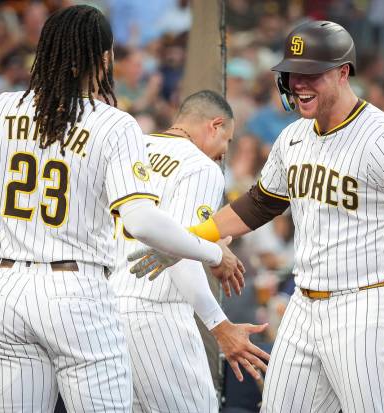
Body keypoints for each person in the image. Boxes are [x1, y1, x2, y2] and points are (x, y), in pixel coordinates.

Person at [131, 20, 384, 412]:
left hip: (369, 305)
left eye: (311, 74)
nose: (298, 84)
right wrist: (190, 238)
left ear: (342, 72)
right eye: (292, 73)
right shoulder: (293, 137)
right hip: (303, 304)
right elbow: (259, 204)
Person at [0, 6, 244, 413]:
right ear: (104, 58)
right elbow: (140, 221)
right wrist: (213, 250)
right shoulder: (113, 124)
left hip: (9, 287)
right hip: (76, 289)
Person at [110, 90, 269, 412]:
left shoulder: (130, 148)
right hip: (155, 311)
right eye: (227, 140)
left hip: (105, 308)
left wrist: (205, 247)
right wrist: (219, 326)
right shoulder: (200, 166)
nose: (224, 153)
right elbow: (175, 251)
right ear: (215, 125)